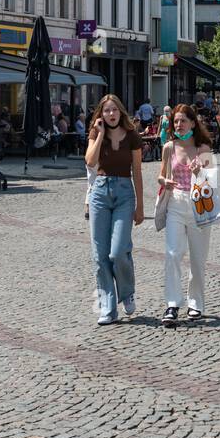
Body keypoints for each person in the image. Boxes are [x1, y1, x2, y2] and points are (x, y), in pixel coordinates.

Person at [84, 95, 144, 325]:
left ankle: (127, 292)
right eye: (107, 111)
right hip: (99, 192)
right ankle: (108, 308)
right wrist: (99, 135)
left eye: (114, 111)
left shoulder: (132, 136)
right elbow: (90, 162)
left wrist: (140, 207)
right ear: (101, 114)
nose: (111, 115)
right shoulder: (95, 134)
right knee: (100, 256)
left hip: (124, 193)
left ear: (121, 112)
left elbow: (137, 172)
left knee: (117, 252)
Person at [157, 105, 216, 328]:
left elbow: (212, 180)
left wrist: (199, 172)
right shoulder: (169, 147)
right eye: (176, 121)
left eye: (183, 121)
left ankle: (196, 303)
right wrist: (164, 181)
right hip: (175, 201)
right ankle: (172, 303)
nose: (179, 125)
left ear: (193, 123)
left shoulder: (203, 148)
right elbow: (161, 174)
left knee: (198, 258)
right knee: (172, 253)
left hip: (199, 204)